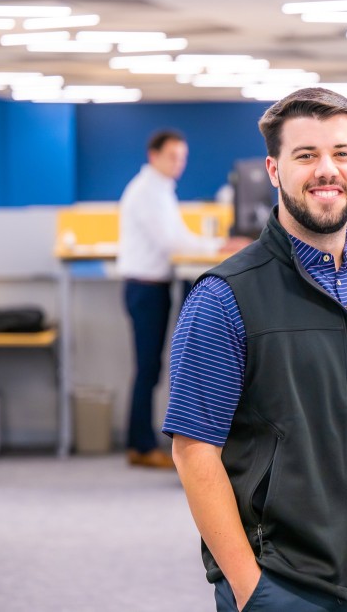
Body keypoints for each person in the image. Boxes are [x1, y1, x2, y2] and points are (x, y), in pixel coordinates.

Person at [163, 87, 347, 611]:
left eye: (341, 153)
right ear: (274, 170)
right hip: (285, 581)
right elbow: (193, 449)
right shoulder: (225, 296)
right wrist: (251, 589)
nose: (327, 170)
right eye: (306, 155)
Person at [116, 129, 246, 469]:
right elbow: (172, 242)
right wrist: (218, 246)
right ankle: (141, 445)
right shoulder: (147, 192)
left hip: (154, 286)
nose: (179, 164)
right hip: (145, 288)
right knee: (148, 368)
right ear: (153, 156)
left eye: (183, 158)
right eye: (173, 156)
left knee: (152, 368)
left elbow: (178, 236)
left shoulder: (161, 190)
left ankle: (142, 442)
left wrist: (214, 246)